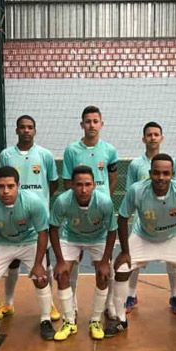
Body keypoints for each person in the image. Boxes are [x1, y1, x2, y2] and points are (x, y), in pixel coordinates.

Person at [108, 153, 176, 339]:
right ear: (149, 173)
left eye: (165, 173)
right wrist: (124, 251)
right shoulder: (136, 190)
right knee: (121, 269)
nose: (161, 177)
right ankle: (120, 319)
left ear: (172, 174)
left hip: (174, 235)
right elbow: (122, 219)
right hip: (143, 235)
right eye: (156, 173)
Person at [0, 166, 56, 341]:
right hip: (2, 242)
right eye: (1, 186)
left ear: (19, 185)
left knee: (41, 279)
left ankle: (45, 320)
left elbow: (43, 233)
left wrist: (38, 264)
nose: (5, 191)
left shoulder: (33, 202)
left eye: (10, 186)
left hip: (30, 240)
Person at [0, 115, 60, 323]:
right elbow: (2, 180)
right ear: (16, 130)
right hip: (12, 216)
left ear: (35, 130)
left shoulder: (45, 155)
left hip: (37, 218)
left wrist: (39, 202)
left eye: (30, 127)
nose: (26, 130)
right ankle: (8, 303)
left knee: (44, 262)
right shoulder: (6, 155)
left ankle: (49, 304)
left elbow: (53, 183)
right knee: (12, 263)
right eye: (22, 127)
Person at [62, 106, 119, 318]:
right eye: (88, 121)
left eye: (96, 121)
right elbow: (68, 180)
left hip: (101, 212)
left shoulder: (110, 150)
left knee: (106, 263)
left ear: (101, 124)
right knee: (72, 262)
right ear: (82, 124)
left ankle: (109, 305)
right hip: (78, 211)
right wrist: (78, 202)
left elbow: (113, 178)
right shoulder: (71, 150)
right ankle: (72, 304)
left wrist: (105, 198)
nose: (92, 125)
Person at [49, 166, 117, 341]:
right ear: (71, 185)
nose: (84, 189)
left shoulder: (104, 202)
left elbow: (112, 231)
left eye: (88, 184)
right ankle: (69, 321)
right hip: (71, 237)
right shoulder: (62, 201)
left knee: (103, 274)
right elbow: (53, 228)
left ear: (94, 185)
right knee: (62, 273)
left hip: (98, 238)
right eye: (79, 184)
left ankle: (95, 320)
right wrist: (60, 260)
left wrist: (104, 261)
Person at [124, 122, 176, 315]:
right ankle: (131, 294)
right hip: (143, 220)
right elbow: (129, 192)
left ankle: (174, 295)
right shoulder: (135, 165)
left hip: (167, 218)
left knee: (173, 261)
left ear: (162, 138)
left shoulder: (171, 162)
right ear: (143, 139)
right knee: (133, 260)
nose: (153, 138)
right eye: (149, 135)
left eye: (156, 134)